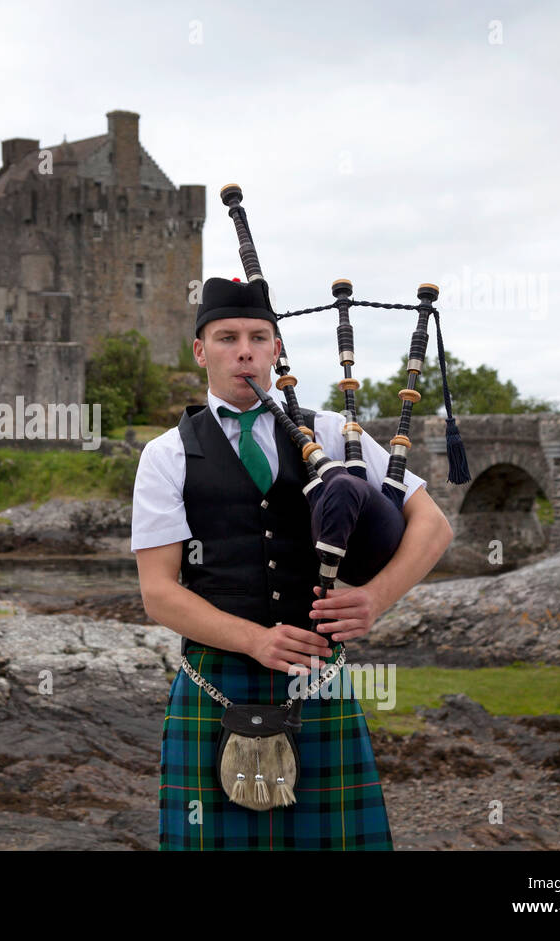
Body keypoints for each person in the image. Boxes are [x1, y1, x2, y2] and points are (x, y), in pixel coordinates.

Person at [132, 276, 454, 851]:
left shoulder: (332, 432)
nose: (245, 350)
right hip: (216, 683)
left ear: (277, 348)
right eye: (227, 338)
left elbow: (432, 525)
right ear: (201, 351)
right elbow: (159, 592)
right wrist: (254, 639)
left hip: (318, 683)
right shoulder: (167, 454)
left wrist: (376, 598)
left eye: (259, 337)